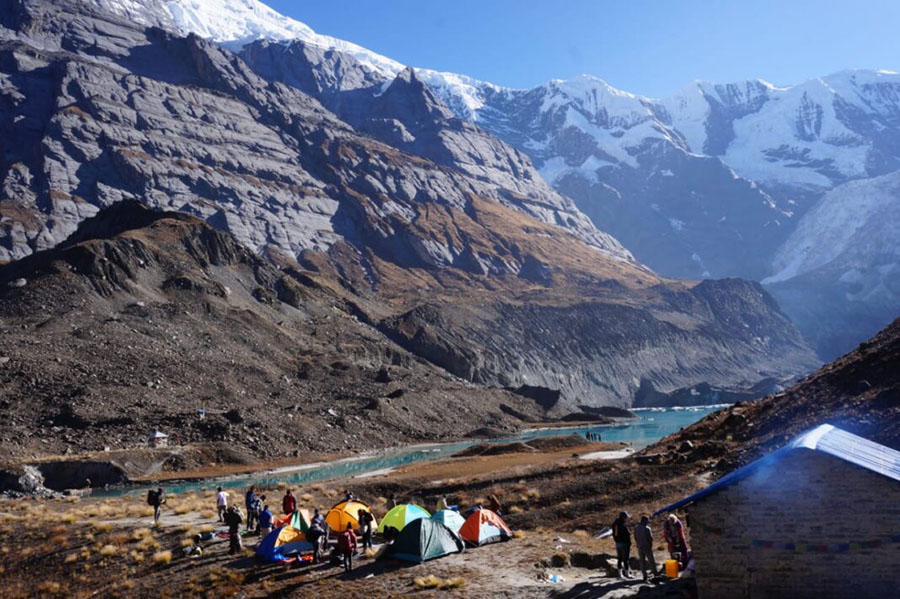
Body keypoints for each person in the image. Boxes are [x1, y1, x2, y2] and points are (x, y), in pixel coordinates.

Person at [634, 515, 657, 581]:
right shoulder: (647, 528)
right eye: (647, 521)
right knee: (651, 561)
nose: (647, 522)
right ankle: (655, 574)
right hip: (647, 547)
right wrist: (650, 545)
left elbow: (635, 538)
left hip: (640, 547)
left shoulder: (636, 528)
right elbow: (650, 538)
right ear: (644, 521)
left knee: (642, 562)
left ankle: (644, 576)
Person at [612, 511, 632, 579]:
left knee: (620, 558)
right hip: (624, 543)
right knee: (626, 559)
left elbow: (614, 534)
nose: (626, 518)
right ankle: (627, 574)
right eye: (626, 517)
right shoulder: (623, 525)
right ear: (623, 517)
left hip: (618, 543)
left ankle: (620, 574)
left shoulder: (615, 524)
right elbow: (627, 533)